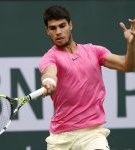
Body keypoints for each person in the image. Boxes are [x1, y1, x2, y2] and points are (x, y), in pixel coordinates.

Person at [38, 5, 135, 150]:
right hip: (60, 138)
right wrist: (49, 81)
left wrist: (132, 44)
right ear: (47, 31)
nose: (58, 32)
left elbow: (127, 66)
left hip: (92, 134)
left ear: (70, 25)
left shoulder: (95, 51)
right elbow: (49, 73)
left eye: (62, 26)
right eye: (53, 28)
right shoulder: (50, 57)